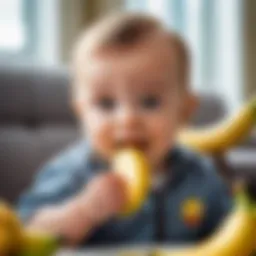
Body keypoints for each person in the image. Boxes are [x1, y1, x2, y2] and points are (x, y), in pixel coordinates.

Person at [17, 12, 232, 246]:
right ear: (81, 113)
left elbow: (232, 233)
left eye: (150, 102)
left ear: (184, 112)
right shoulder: (72, 174)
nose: (127, 119)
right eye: (106, 104)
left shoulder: (200, 176)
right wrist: (83, 211)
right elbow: (27, 234)